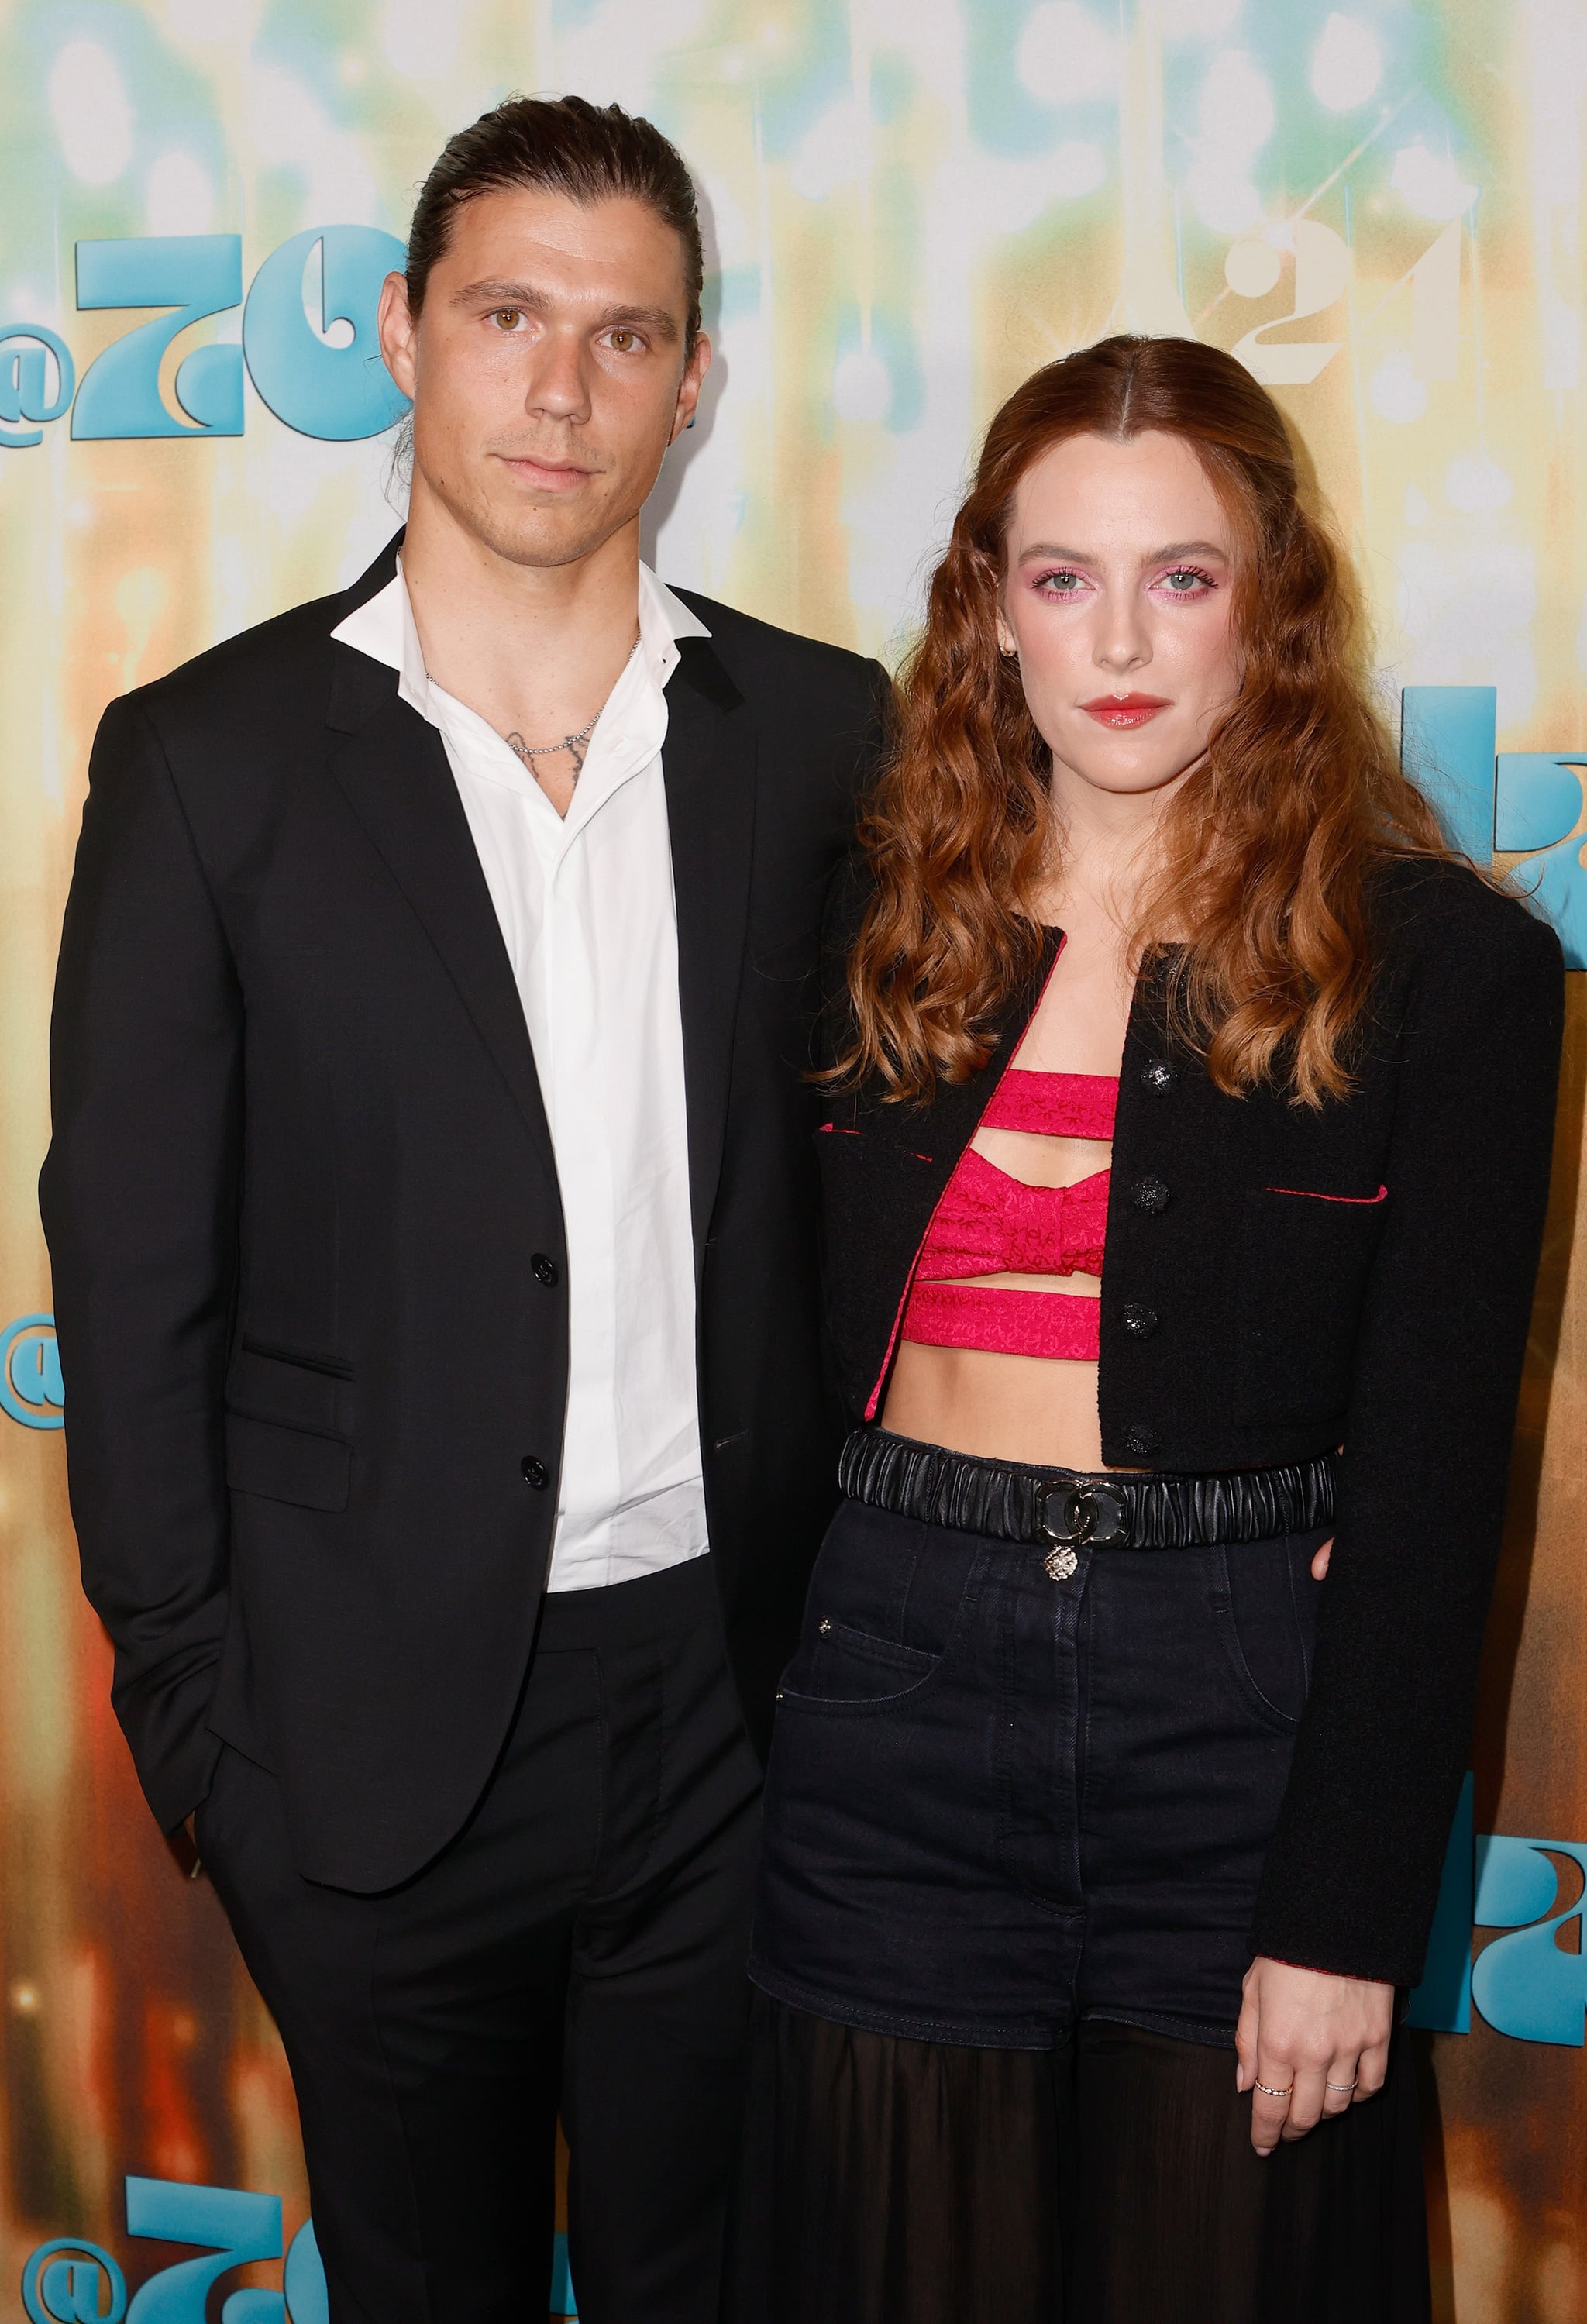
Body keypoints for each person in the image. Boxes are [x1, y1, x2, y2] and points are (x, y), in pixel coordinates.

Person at [41, 95, 888, 2324]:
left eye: (627, 337)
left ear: (696, 379)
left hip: (734, 1715)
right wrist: (216, 1746)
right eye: (510, 316)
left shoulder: (822, 738)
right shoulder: (208, 763)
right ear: (405, 332)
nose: (562, 387)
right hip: (367, 1747)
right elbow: (131, 1295)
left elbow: (906, 1188)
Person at [737, 335, 1564, 2323]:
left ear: (1266, 608)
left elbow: (1438, 1473)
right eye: (1061, 576)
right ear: (987, 609)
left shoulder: (1450, 970)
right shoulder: (853, 917)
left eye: (1181, 577)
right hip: (890, 1697)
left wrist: (1348, 1905)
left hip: (1246, 1721)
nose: (1119, 638)